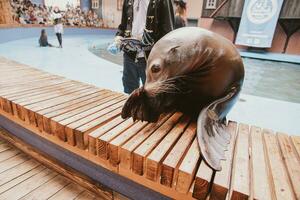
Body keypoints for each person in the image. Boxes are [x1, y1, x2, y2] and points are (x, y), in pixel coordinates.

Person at [115, 0, 175, 94]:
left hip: (151, 59)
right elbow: (123, 25)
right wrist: (118, 36)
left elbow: (168, 30)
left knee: (153, 96)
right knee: (128, 92)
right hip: (129, 56)